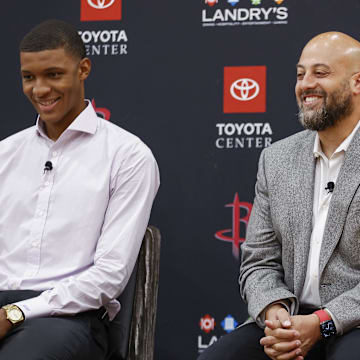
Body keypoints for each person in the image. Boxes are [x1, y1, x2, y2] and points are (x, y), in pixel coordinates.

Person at [0, 19, 159, 359]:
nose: (40, 89)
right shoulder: (5, 154)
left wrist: (18, 312)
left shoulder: (128, 156)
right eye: (29, 77)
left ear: (83, 69)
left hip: (69, 317)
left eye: (53, 74)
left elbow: (109, 276)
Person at [198, 31, 360, 360]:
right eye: (300, 74)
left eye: (321, 72)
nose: (305, 85)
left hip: (350, 324)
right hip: (288, 321)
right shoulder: (277, 159)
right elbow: (258, 260)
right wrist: (275, 314)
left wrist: (322, 323)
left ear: (357, 83)